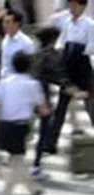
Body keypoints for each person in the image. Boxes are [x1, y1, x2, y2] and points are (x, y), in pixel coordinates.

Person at [0, 51, 49, 195]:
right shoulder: (33, 84)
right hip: (20, 127)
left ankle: (34, 190)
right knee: (16, 162)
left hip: (4, 124)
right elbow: (43, 108)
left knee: (17, 161)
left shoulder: (3, 82)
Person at [45, 1, 93, 158]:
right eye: (70, 5)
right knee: (61, 108)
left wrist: (78, 50)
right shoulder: (67, 22)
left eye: (75, 6)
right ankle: (50, 144)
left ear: (82, 6)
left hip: (83, 67)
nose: (72, 9)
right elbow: (62, 41)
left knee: (91, 106)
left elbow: (91, 46)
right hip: (69, 68)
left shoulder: (89, 24)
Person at [0, 10, 34, 79]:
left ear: (16, 24)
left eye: (8, 22)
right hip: (5, 79)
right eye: (4, 22)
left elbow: (31, 67)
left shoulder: (26, 43)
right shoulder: (5, 40)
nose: (4, 25)